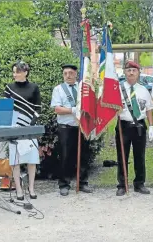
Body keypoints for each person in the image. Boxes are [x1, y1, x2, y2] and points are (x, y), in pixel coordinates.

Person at [50, 64, 93, 196]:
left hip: (81, 127)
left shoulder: (83, 89)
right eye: (65, 73)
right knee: (65, 157)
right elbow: (57, 109)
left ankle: (83, 183)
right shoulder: (58, 89)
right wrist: (74, 110)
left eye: (70, 73)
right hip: (66, 129)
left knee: (84, 156)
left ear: (76, 74)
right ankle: (64, 184)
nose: (68, 75)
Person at [115, 60, 153, 196]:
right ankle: (122, 184)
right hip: (123, 126)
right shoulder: (118, 90)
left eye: (134, 70)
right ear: (124, 72)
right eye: (128, 70)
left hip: (139, 126)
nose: (131, 73)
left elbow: (149, 109)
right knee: (122, 156)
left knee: (140, 156)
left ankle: (139, 184)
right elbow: (110, 108)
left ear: (138, 73)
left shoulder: (143, 90)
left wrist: (151, 126)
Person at [4, 61, 41, 200]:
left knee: (32, 160)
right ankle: (19, 189)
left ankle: (31, 188)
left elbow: (38, 108)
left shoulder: (34, 87)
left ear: (25, 72)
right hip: (14, 128)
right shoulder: (9, 88)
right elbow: (5, 108)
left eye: (18, 72)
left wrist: (31, 124)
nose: (15, 75)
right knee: (15, 161)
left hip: (29, 128)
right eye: (13, 72)